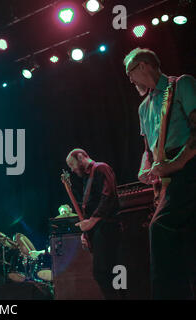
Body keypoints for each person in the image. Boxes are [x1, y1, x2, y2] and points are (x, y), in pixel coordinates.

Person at [124, 47, 196, 299]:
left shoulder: (182, 84)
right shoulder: (143, 108)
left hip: (188, 165)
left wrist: (176, 163)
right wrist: (146, 167)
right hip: (167, 175)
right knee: (187, 242)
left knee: (160, 228)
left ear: (142, 66)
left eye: (130, 73)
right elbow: (148, 149)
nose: (130, 80)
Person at [66, 148, 122, 299]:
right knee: (109, 272)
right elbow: (90, 206)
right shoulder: (87, 178)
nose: (72, 170)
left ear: (80, 156)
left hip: (108, 228)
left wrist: (91, 222)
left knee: (107, 271)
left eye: (72, 165)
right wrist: (86, 232)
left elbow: (108, 196)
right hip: (99, 230)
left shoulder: (101, 168)